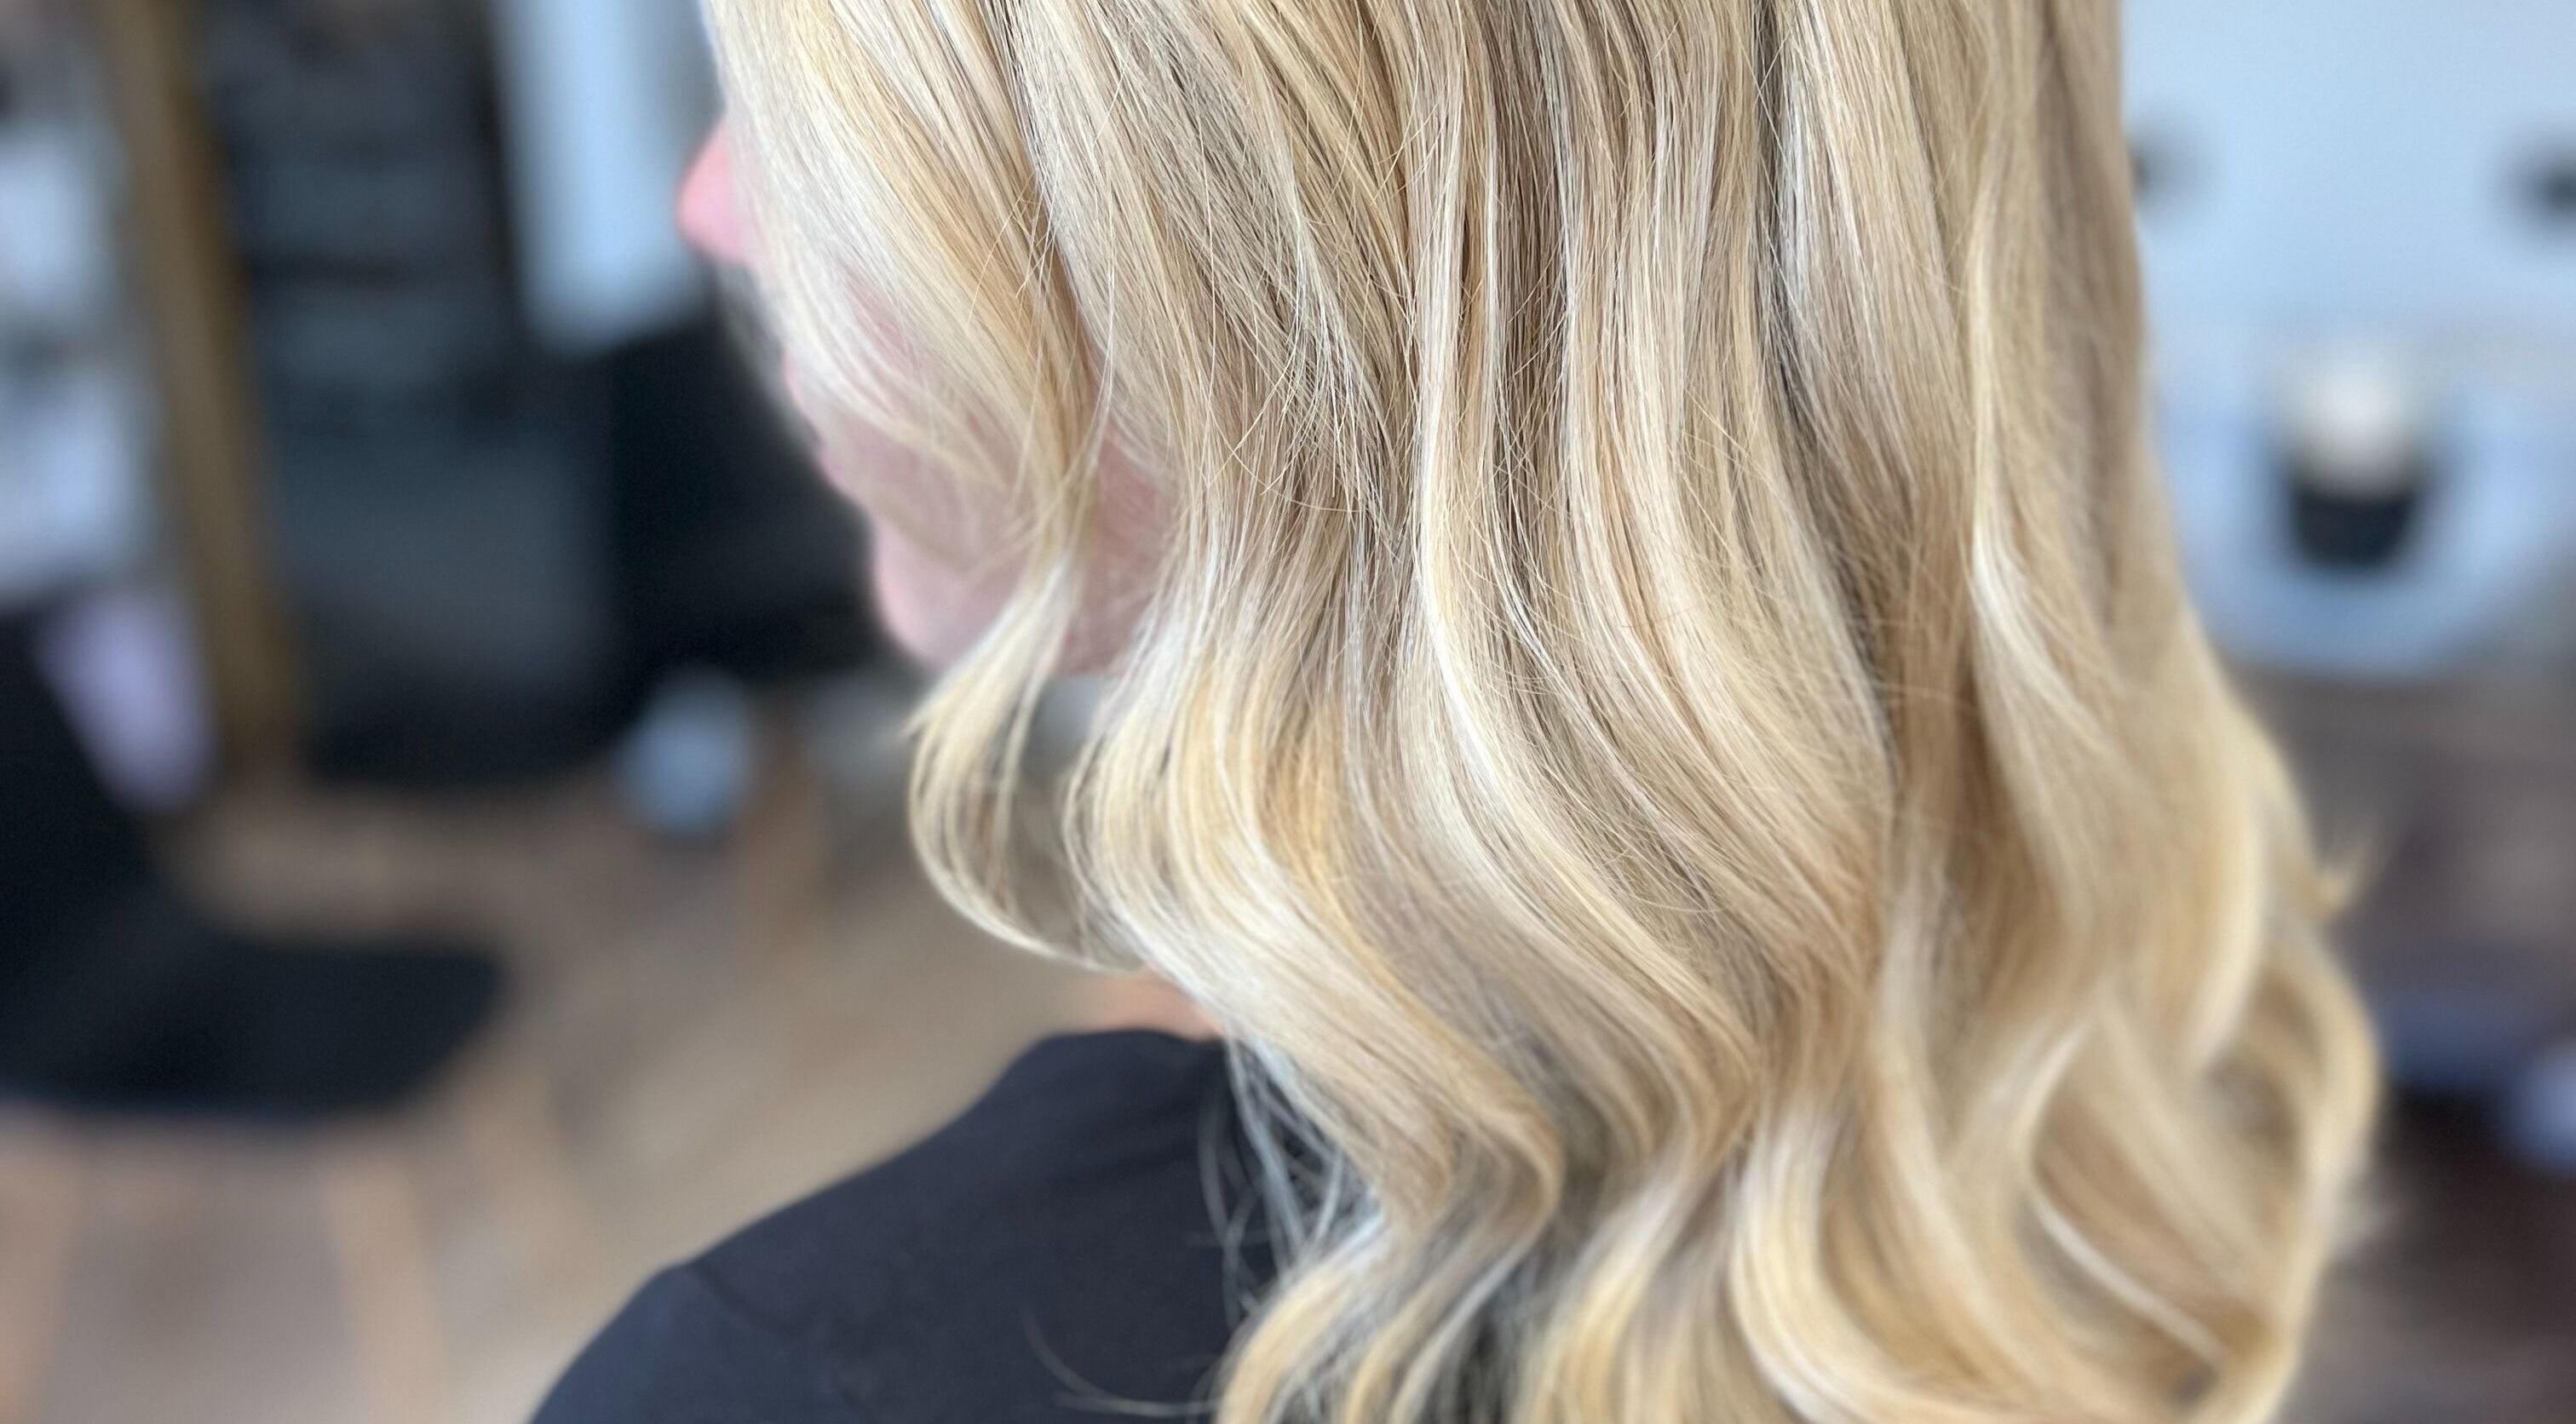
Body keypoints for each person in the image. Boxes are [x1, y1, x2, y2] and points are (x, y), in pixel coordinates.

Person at [539, 3, 2379, 1421]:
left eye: (841, 136)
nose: (716, 207)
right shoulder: (2158, 1013)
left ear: (1266, 272)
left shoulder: (798, 1380)